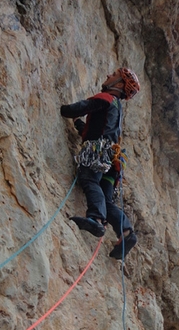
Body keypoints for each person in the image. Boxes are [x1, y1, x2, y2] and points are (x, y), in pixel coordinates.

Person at [60, 68, 140, 260]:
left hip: (99, 153)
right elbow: (99, 127)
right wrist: (81, 127)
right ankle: (126, 232)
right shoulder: (117, 109)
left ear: (119, 84)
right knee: (107, 199)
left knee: (89, 180)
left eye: (113, 75)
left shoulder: (106, 98)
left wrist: (64, 110)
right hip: (113, 160)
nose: (107, 76)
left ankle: (95, 218)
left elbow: (81, 107)